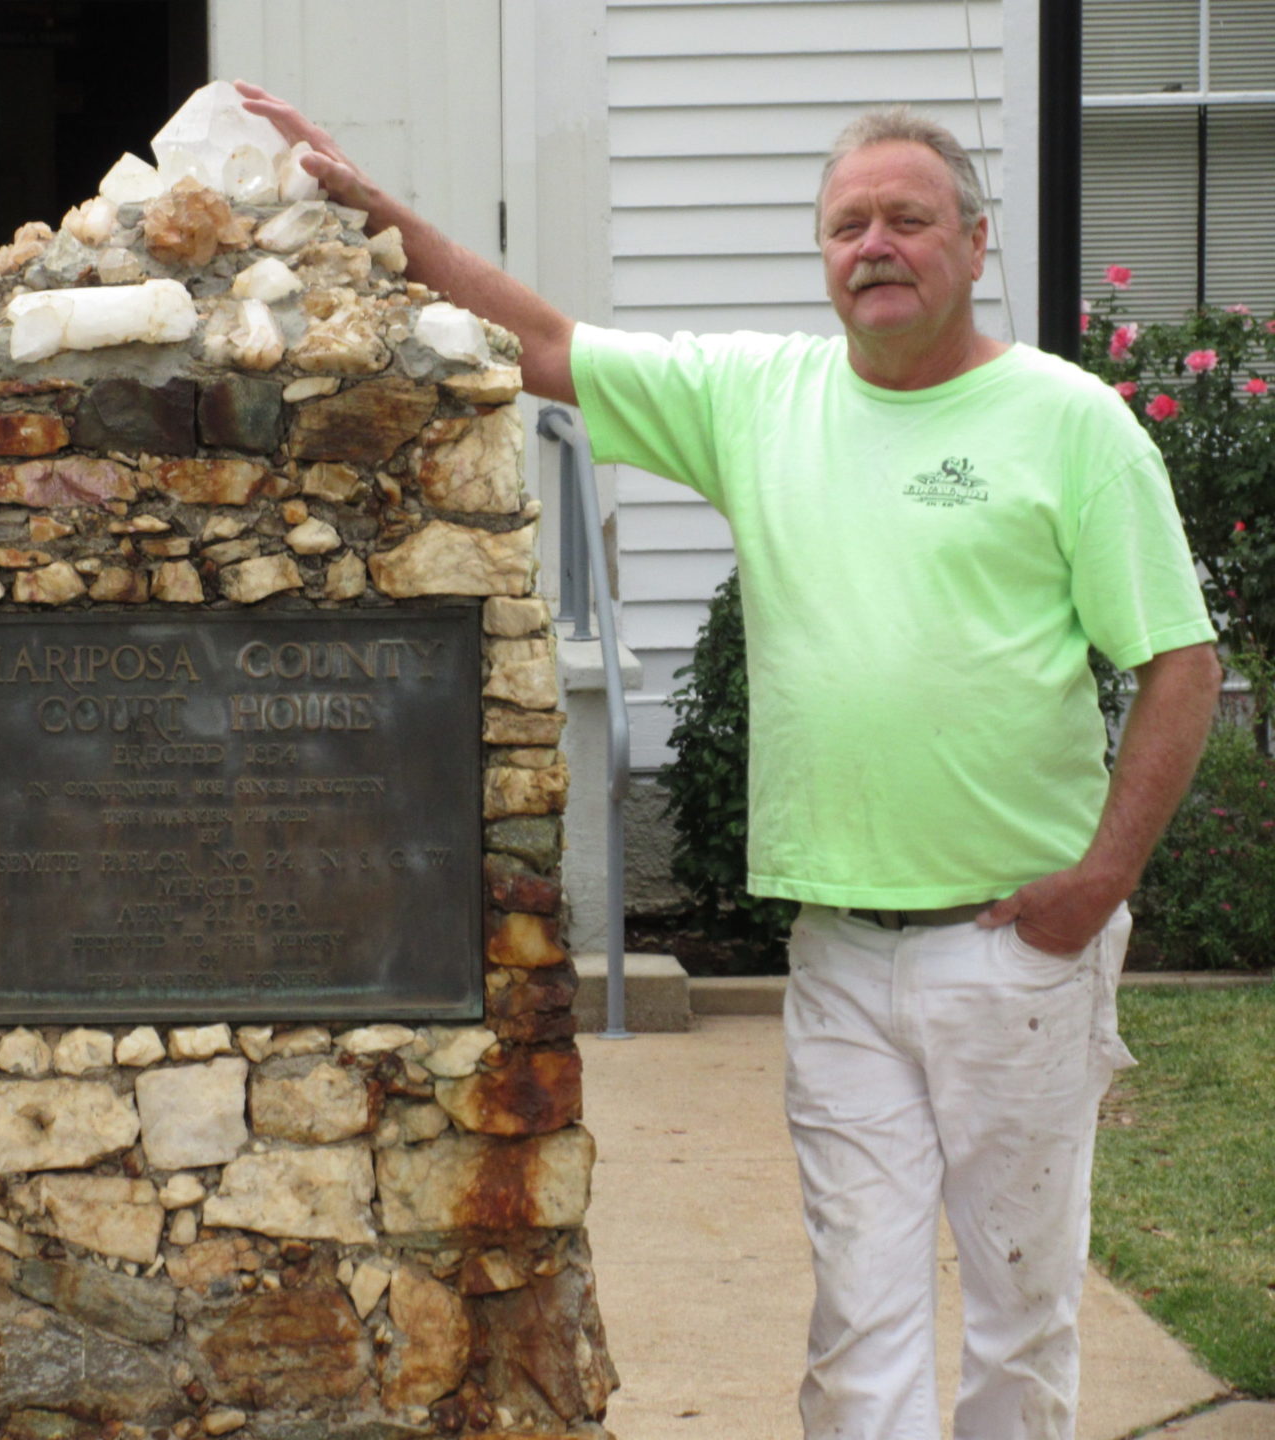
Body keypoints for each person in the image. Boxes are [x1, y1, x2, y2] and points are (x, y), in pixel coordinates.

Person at [241, 86, 1222, 1439]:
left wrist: (1100, 882)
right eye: (847, 224)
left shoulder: (1067, 422)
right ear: (822, 252)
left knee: (1020, 1313)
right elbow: (534, 340)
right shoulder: (761, 399)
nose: (875, 245)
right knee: (860, 1318)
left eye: (908, 220)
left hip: (1020, 946)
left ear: (976, 245)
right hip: (838, 956)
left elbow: (1182, 661)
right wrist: (373, 210)